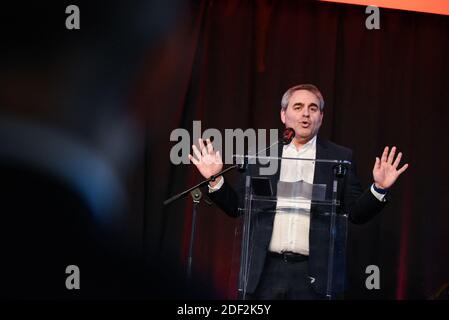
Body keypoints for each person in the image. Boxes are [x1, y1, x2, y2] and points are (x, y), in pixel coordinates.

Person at [188, 84, 408, 299]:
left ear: (321, 117)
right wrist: (214, 179)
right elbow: (236, 207)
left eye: (313, 109)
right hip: (264, 273)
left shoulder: (339, 157)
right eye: (298, 107)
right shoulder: (263, 156)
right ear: (283, 114)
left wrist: (379, 188)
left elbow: (355, 213)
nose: (306, 114)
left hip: (315, 277)